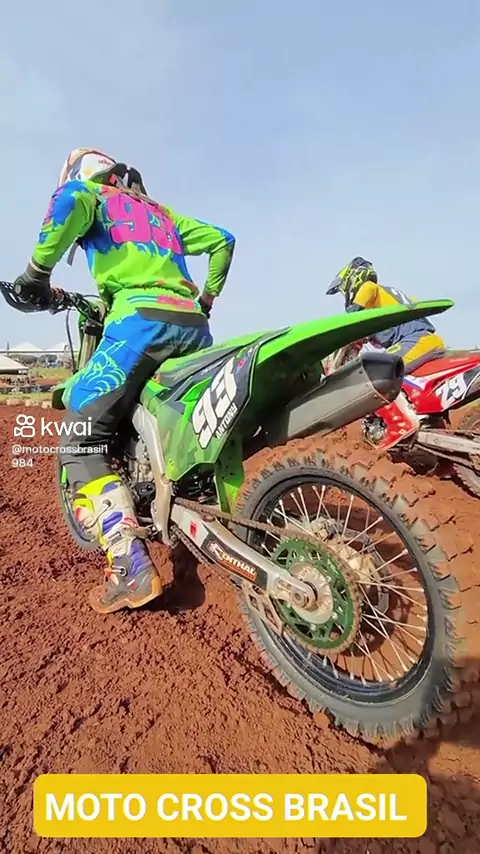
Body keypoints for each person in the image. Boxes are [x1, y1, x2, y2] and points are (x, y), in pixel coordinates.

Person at [13, 148, 235, 615]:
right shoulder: (163, 214)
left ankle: (129, 566)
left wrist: (35, 274)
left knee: (80, 440)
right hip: (194, 328)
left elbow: (68, 199)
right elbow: (223, 240)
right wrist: (206, 299)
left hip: (138, 324)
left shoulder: (90, 195)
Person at [326, 256, 446, 368]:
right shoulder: (385, 299)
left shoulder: (369, 288)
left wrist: (350, 319)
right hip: (421, 341)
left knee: (379, 370)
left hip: (415, 341)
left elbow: (369, 288)